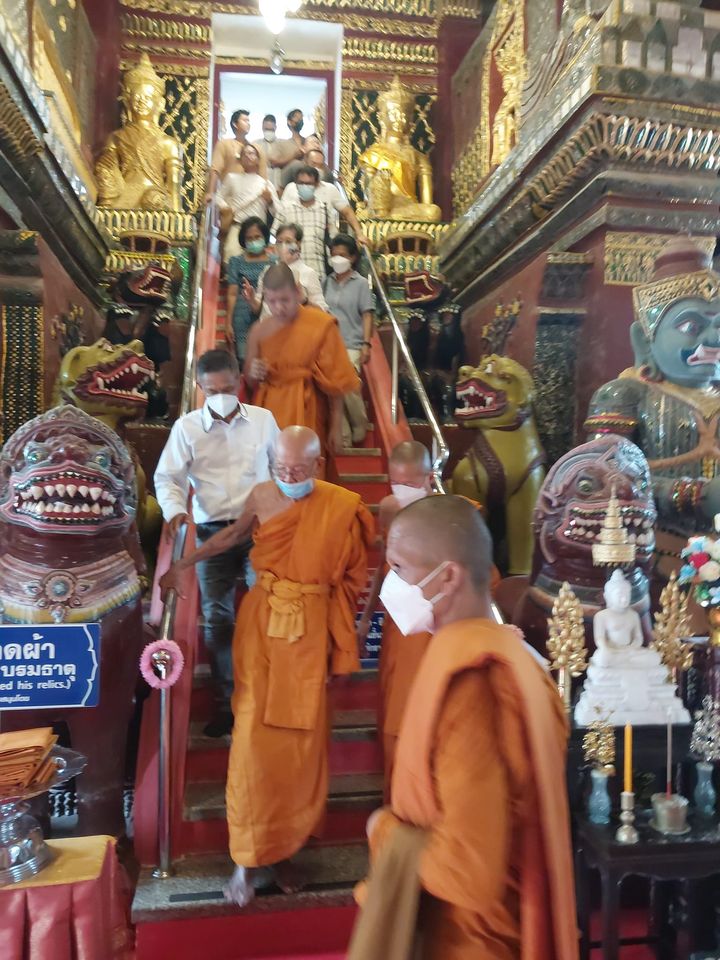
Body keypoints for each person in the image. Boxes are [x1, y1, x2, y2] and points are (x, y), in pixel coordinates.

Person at [349, 496, 577, 960]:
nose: (390, 582)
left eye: (399, 568)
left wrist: (383, 830)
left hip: (469, 941)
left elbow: (466, 875)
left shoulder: (472, 682)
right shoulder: (509, 654)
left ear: (448, 577)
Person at [159, 426, 374, 905]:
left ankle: (285, 851)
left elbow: (352, 582)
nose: (289, 476)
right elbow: (231, 537)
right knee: (252, 745)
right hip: (262, 631)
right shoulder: (261, 494)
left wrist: (341, 642)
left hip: (310, 632)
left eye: (298, 469)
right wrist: (183, 565)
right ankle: (246, 858)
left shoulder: (342, 506)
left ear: (318, 465)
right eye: (280, 468)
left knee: (302, 750)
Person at [358, 441, 500, 791]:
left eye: (410, 482)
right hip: (401, 626)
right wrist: (367, 616)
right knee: (397, 707)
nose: (402, 490)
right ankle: (399, 793)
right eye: (396, 482)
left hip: (441, 625)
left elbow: (479, 576)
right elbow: (387, 567)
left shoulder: (457, 513)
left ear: (428, 477)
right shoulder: (389, 508)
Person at [154, 349, 279, 736]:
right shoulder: (186, 428)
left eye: (227, 389)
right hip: (211, 531)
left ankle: (266, 695)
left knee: (267, 610)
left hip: (259, 529)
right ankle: (226, 703)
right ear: (199, 387)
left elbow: (280, 467)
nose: (220, 396)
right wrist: (175, 510)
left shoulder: (263, 420)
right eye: (212, 391)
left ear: (239, 381)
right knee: (218, 619)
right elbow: (168, 477)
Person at [243, 263, 359, 459]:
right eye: (271, 301)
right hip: (270, 411)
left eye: (285, 300)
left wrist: (336, 425)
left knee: (308, 466)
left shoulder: (321, 324)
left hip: (309, 406)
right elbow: (249, 380)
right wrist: (253, 372)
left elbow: (336, 381)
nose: (278, 307)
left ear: (297, 292)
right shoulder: (259, 331)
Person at [323, 234, 372, 445]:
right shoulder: (326, 282)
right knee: (333, 389)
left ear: (352, 257)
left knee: (349, 386)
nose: (337, 259)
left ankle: (359, 422)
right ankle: (344, 436)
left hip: (352, 342)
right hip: (329, 343)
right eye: (334, 255)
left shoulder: (361, 283)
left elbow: (367, 314)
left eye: (342, 255)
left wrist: (366, 343)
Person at [283, 147, 366, 239]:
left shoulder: (330, 189)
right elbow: (282, 217)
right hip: (297, 240)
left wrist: (359, 233)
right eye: (313, 164)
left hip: (324, 241)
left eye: (320, 165)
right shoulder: (291, 188)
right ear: (305, 163)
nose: (317, 168)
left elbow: (347, 212)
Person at [226, 217, 277, 364]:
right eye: (249, 238)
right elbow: (232, 293)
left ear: (265, 237)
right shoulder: (236, 262)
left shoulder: (274, 261)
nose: (253, 241)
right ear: (243, 240)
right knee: (245, 359)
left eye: (257, 237)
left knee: (267, 358)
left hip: (267, 314)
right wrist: (228, 323)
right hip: (242, 315)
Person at [217, 143, 278, 260]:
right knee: (231, 255)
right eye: (244, 154)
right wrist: (226, 208)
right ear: (240, 160)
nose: (248, 156)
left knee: (258, 261)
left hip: (259, 231)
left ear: (258, 159)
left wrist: (270, 201)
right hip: (237, 226)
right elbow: (218, 197)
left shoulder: (265, 184)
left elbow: (278, 212)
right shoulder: (232, 178)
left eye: (251, 153)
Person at [253, 224, 328, 313]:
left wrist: (304, 301)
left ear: (298, 244)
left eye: (288, 241)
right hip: (269, 321)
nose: (283, 245)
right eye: (279, 242)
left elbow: (322, 312)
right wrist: (251, 299)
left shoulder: (308, 273)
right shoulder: (267, 271)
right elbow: (258, 308)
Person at [273, 166, 332, 278]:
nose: (305, 186)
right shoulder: (285, 209)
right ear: (296, 184)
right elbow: (273, 238)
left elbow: (330, 242)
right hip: (289, 274)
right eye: (301, 183)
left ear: (316, 185)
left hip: (317, 272)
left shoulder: (324, 211)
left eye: (309, 183)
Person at [206, 108, 267, 202]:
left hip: (253, 197)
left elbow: (263, 176)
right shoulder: (224, 144)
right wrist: (210, 192)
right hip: (230, 197)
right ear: (235, 124)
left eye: (249, 121)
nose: (248, 123)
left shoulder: (256, 149)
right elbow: (215, 169)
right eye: (245, 120)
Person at [252, 113, 297, 192]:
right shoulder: (255, 145)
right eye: (266, 129)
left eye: (271, 130)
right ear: (262, 127)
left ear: (275, 128)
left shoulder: (284, 144)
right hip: (260, 186)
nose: (269, 132)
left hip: (281, 186)